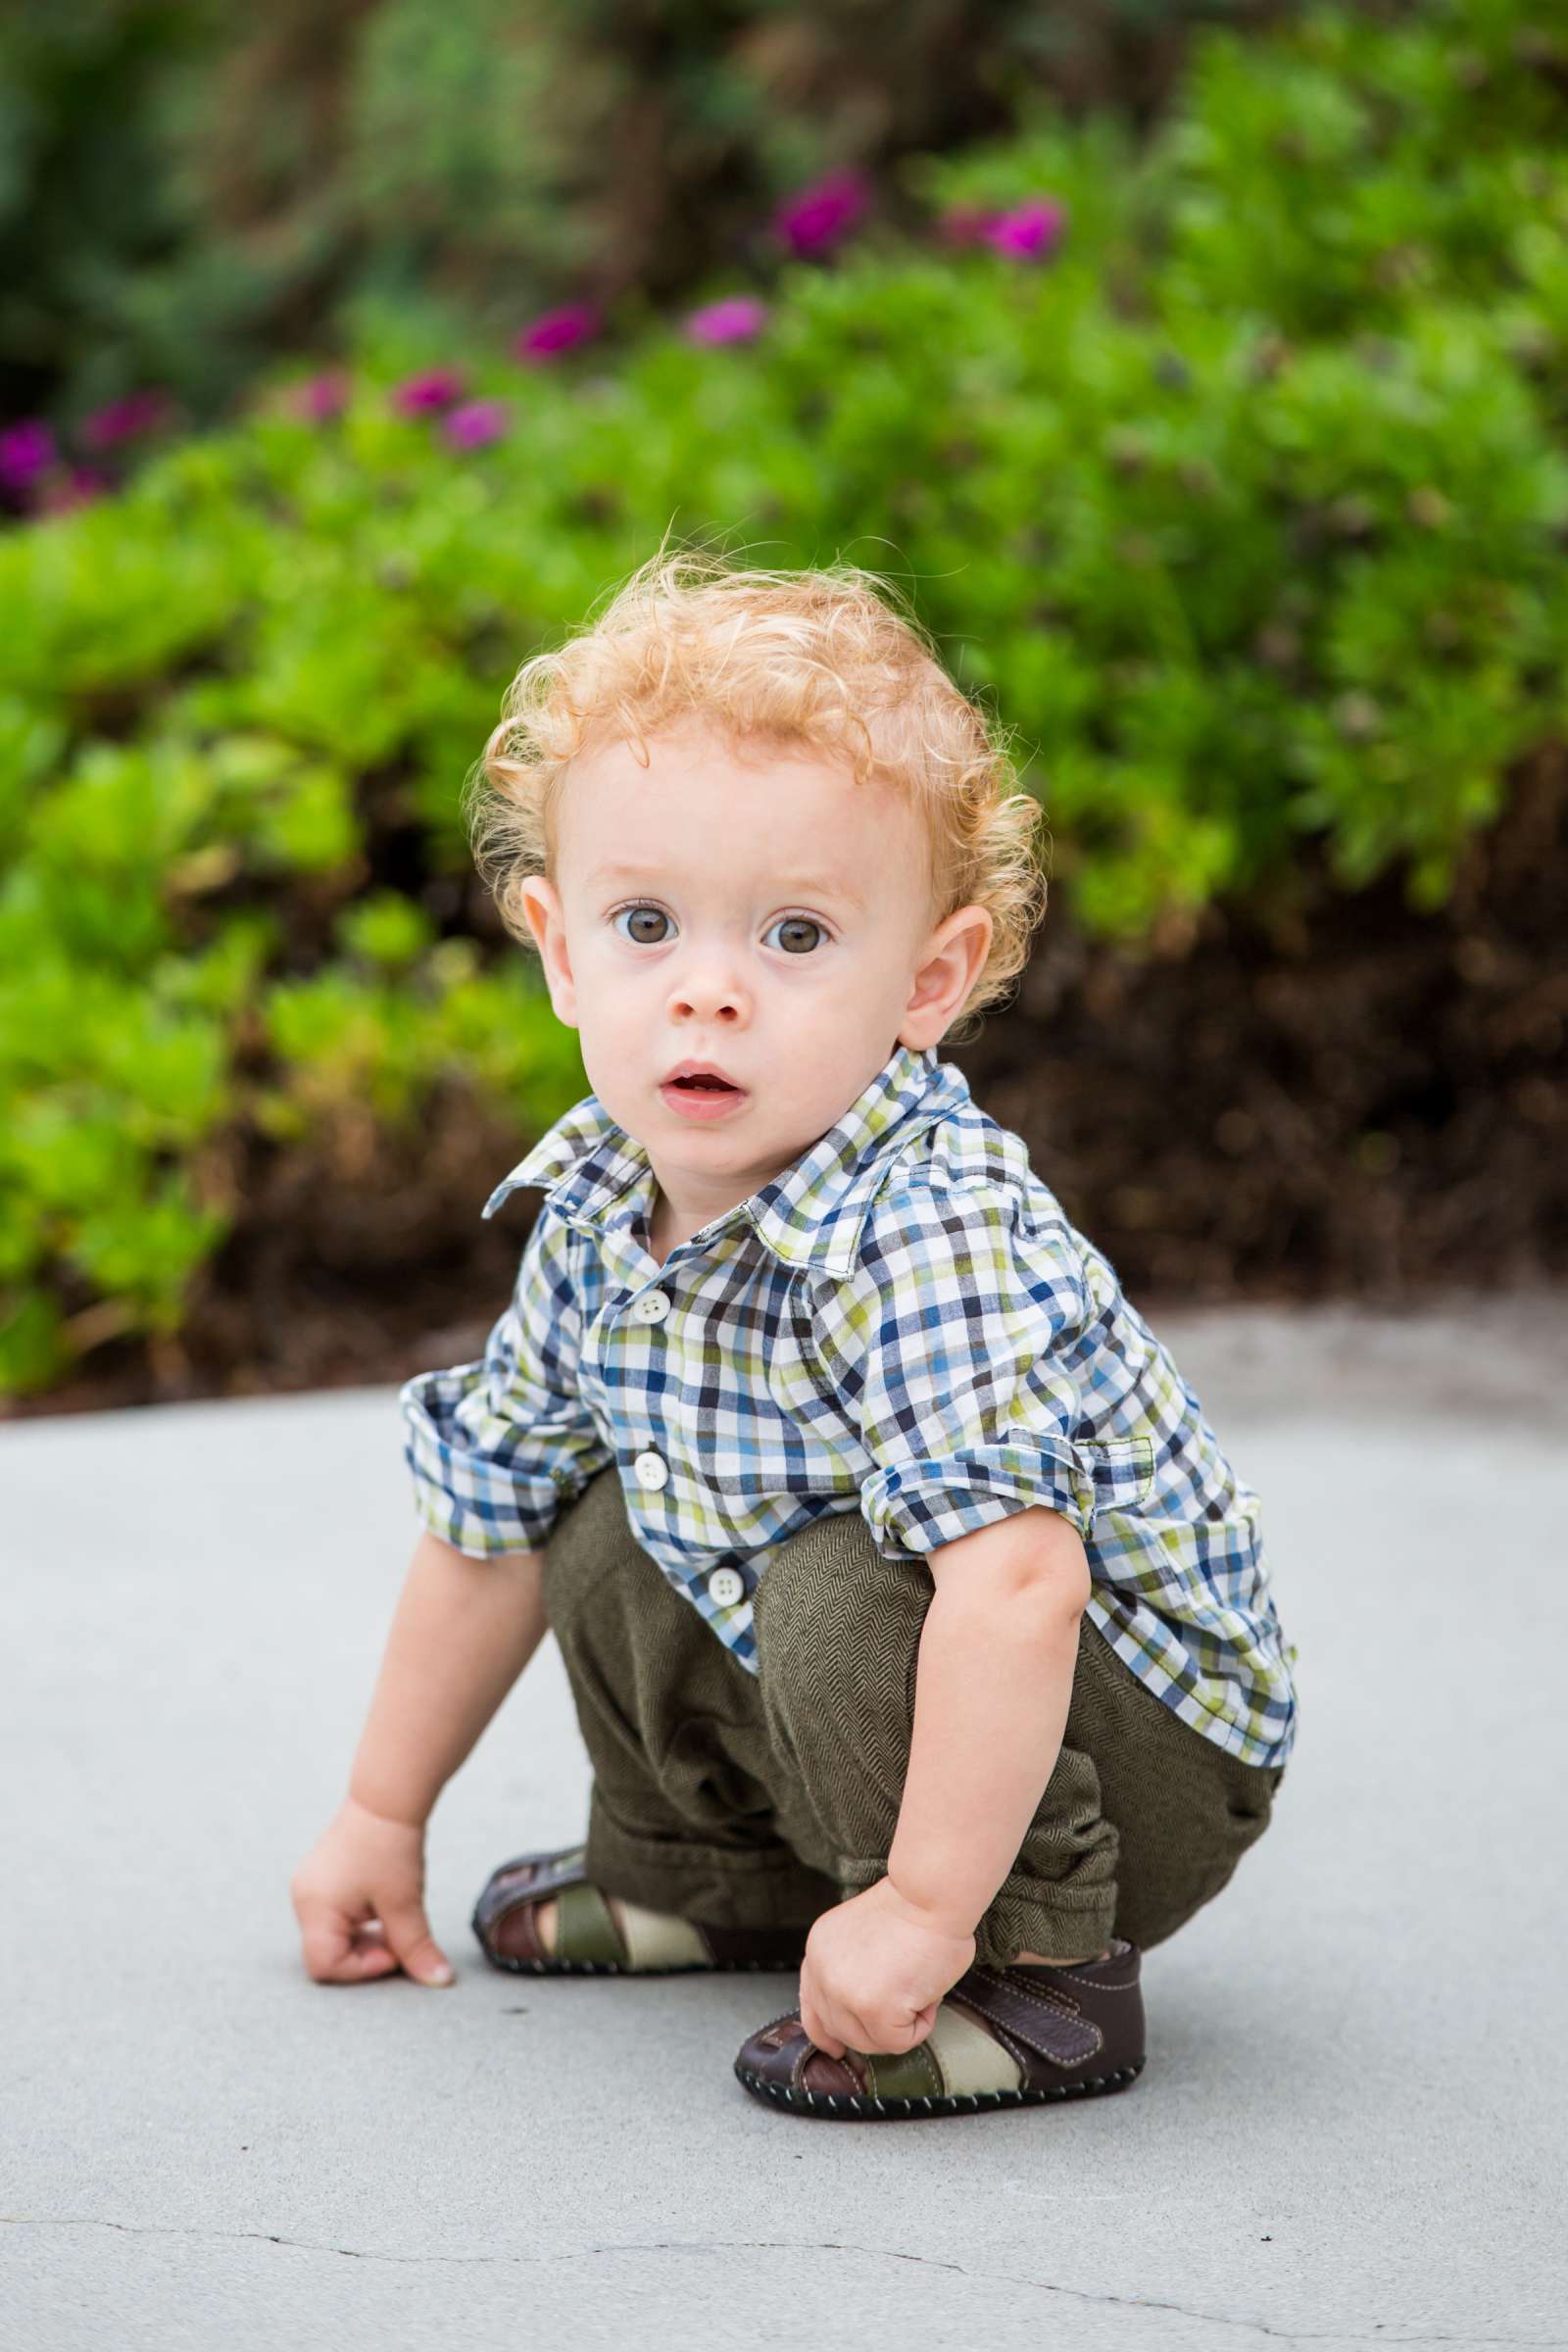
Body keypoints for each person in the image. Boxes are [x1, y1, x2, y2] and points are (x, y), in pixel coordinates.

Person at [290, 546, 1298, 2123]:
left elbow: (1020, 1584)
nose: (708, 995)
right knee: (598, 1510)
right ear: (559, 951)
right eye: (646, 925)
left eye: (797, 939)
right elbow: (482, 1530)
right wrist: (376, 1812)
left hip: (1135, 1755)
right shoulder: (599, 1209)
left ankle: (1042, 1977)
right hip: (923, 1683)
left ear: (929, 978)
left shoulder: (924, 1230)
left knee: (833, 1578)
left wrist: (926, 1910)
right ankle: (714, 1871)